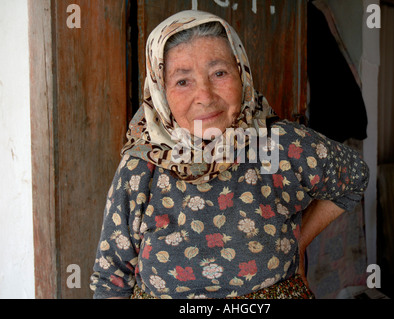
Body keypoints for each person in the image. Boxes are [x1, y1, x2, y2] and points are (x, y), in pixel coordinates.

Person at [90, 10, 369, 299]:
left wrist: (299, 241)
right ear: (161, 91)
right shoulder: (141, 166)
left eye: (219, 73)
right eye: (183, 81)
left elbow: (355, 177)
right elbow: (111, 278)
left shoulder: (281, 145)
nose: (206, 96)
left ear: (242, 73)